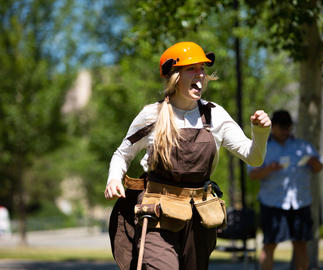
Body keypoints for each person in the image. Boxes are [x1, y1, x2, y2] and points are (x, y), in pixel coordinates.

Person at [104, 41, 271, 270]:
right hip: (157, 214)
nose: (200, 74)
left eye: (202, 68)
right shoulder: (152, 115)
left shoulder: (215, 114)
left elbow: (253, 157)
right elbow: (121, 154)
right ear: (174, 76)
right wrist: (114, 178)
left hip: (199, 218)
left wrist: (261, 132)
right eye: (192, 68)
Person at [248, 110, 323, 270]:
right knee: (269, 244)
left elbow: (319, 167)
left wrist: (313, 162)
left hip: (300, 202)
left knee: (301, 244)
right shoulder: (263, 147)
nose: (284, 131)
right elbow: (252, 174)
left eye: (287, 127)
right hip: (272, 202)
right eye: (281, 127)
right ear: (272, 127)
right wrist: (269, 169)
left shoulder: (302, 146)